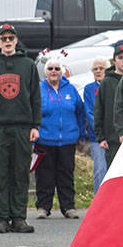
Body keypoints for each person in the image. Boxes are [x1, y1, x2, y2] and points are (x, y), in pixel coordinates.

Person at [0, 22, 41, 233]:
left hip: (23, 127)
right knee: (0, 173)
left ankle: (19, 217)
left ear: (16, 40)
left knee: (21, 173)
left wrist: (36, 125)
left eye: (10, 38)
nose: (6, 42)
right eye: (3, 39)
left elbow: (35, 97)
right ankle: (2, 218)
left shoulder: (28, 65)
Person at [34, 57, 87, 219]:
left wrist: (81, 134)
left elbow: (80, 112)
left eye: (57, 69)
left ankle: (68, 207)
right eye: (50, 69)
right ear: (46, 73)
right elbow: (33, 112)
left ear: (62, 72)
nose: (54, 72)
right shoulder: (39, 89)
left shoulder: (70, 89)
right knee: (45, 175)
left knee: (66, 174)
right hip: (44, 139)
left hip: (68, 140)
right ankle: (43, 207)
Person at [95, 41, 123, 167]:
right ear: (114, 61)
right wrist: (101, 136)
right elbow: (99, 109)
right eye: (120, 58)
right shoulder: (107, 82)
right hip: (112, 138)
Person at [81, 57, 109, 192]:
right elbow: (89, 113)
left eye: (101, 68)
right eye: (95, 69)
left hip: (114, 135)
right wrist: (101, 133)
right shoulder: (88, 89)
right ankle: (99, 200)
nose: (98, 71)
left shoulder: (113, 85)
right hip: (96, 137)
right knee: (100, 169)